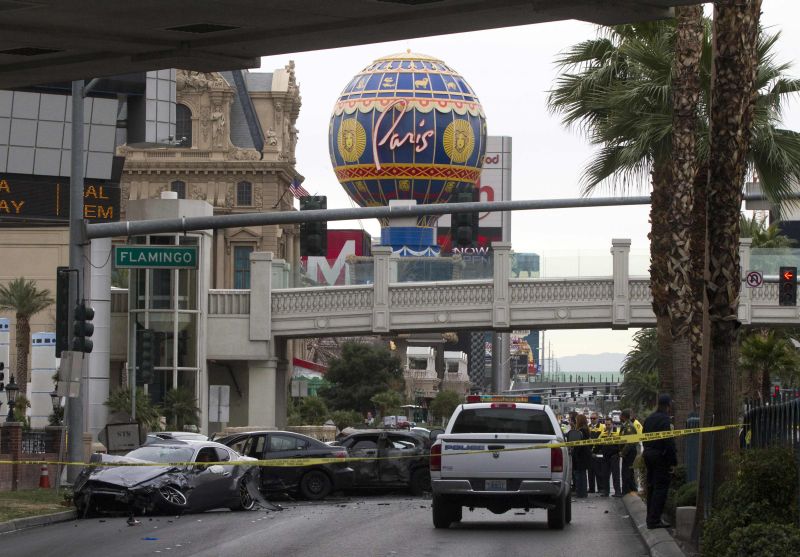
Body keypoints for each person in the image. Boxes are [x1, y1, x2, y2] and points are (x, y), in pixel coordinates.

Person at [643, 394, 677, 529]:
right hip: (660, 457)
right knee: (661, 487)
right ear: (668, 406)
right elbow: (669, 442)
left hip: (648, 454)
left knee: (651, 487)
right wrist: (673, 462)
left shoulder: (649, 418)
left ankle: (650, 517)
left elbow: (644, 437)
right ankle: (655, 520)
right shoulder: (665, 420)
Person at [571, 414, 592, 498]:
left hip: (581, 455)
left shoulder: (581, 431)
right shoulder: (586, 429)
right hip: (585, 454)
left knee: (579, 474)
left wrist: (574, 451)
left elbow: (578, 444)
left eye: (577, 420)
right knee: (582, 473)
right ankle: (582, 492)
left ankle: (580, 492)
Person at [600, 417, 622, 497]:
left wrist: (619, 452)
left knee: (615, 475)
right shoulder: (603, 432)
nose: (607, 426)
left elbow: (622, 442)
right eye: (606, 424)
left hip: (614, 456)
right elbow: (598, 443)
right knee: (605, 475)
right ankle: (606, 491)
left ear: (612, 424)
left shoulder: (617, 432)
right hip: (605, 456)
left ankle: (618, 492)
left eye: (609, 424)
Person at [619, 409, 638, 494]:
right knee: (628, 471)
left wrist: (623, 452)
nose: (619, 417)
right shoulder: (625, 425)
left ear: (623, 417)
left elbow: (629, 443)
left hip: (629, 452)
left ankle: (626, 491)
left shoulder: (629, 427)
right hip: (627, 452)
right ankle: (631, 489)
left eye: (620, 415)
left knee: (626, 472)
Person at [588, 413, 605, 494]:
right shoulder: (588, 427)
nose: (592, 420)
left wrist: (596, 451)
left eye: (594, 418)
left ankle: (601, 488)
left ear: (598, 418)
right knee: (590, 472)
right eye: (591, 418)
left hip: (598, 452)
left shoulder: (602, 427)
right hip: (590, 452)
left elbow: (602, 440)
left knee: (599, 471)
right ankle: (591, 488)